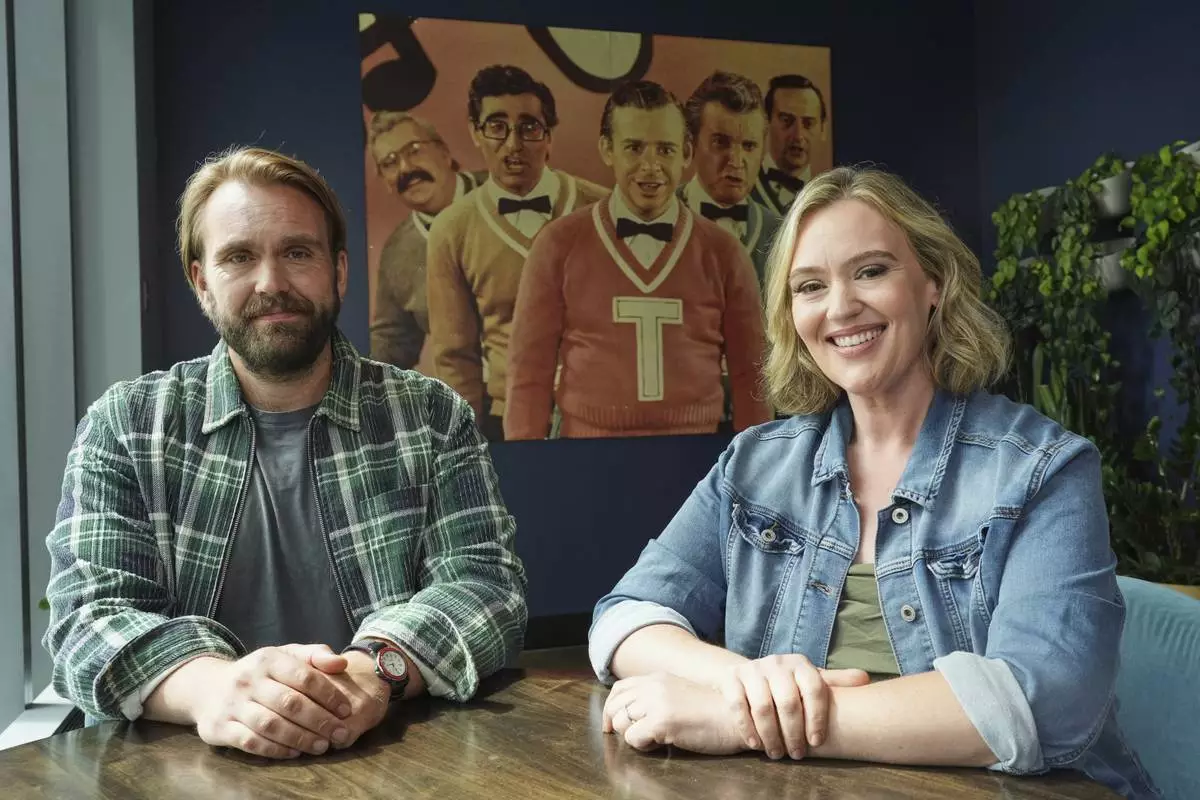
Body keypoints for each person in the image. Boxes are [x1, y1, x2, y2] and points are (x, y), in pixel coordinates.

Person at [588, 166, 1159, 798]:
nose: (840, 307)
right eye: (810, 286)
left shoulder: (1044, 468)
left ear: (933, 283)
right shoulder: (753, 464)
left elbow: (1046, 700)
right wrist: (745, 684)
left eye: (871, 271)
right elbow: (626, 620)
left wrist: (744, 722)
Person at [42, 145, 528, 761]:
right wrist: (215, 688)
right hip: (181, 775)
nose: (271, 283)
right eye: (239, 257)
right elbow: (87, 620)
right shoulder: (128, 425)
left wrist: (374, 668)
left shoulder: (431, 416)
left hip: (391, 765)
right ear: (201, 281)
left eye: (297, 253)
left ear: (340, 271)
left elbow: (487, 585)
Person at [503, 80, 772, 441]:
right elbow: (528, 376)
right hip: (586, 455)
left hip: (698, 458)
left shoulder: (724, 252)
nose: (650, 167)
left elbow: (751, 378)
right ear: (606, 149)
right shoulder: (558, 244)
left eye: (665, 149)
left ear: (687, 153)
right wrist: (528, 471)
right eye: (634, 148)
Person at [425, 64, 606, 440]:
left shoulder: (602, 208)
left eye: (529, 127)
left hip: (598, 414)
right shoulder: (451, 228)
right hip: (506, 420)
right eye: (496, 126)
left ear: (549, 136)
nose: (513, 144)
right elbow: (455, 358)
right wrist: (468, 442)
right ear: (475, 133)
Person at [367, 111, 486, 369]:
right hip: (467, 398)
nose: (406, 169)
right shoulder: (398, 252)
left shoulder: (503, 195)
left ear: (445, 153)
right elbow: (392, 341)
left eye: (414, 150)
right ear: (386, 183)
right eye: (389, 163)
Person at [681, 71, 781, 288]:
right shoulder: (654, 219)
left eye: (749, 146)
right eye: (720, 143)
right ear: (690, 145)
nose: (736, 161)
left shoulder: (780, 234)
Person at [750, 74, 828, 216]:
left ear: (823, 129)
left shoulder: (831, 199)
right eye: (786, 121)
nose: (798, 135)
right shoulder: (742, 190)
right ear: (765, 123)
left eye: (808, 124)